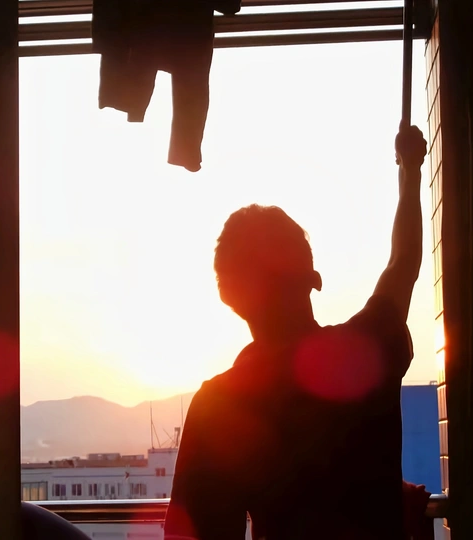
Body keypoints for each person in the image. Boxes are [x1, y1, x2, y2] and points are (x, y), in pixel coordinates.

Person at [164, 125, 429, 540]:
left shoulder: (219, 407)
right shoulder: (366, 349)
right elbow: (403, 263)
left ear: (228, 298)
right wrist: (410, 170)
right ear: (313, 279)